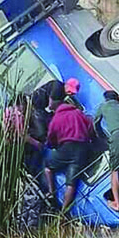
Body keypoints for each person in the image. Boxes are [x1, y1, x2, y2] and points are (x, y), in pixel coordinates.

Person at [44, 86, 94, 214]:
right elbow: (90, 126)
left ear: (53, 101)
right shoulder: (77, 112)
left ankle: (51, 192)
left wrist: (53, 146)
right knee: (71, 182)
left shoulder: (56, 119)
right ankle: (64, 211)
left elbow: (51, 140)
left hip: (67, 148)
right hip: (82, 148)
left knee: (48, 168)